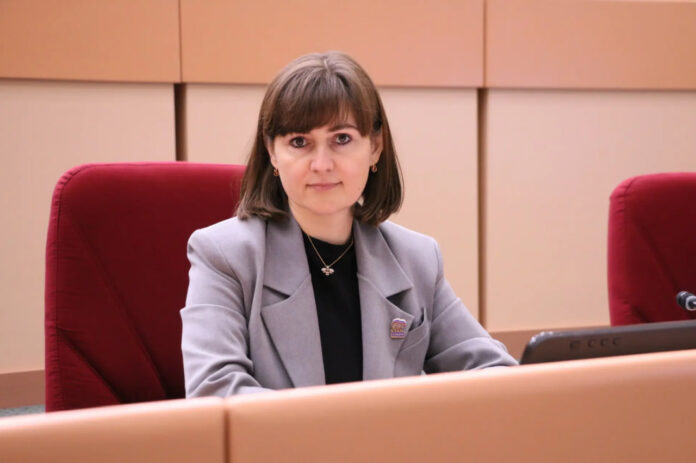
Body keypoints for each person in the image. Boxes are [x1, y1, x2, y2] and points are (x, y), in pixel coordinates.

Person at [181, 51, 517, 397]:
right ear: (272, 153)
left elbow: (495, 374)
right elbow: (214, 390)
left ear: (375, 147)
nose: (322, 164)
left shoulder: (416, 258)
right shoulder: (225, 256)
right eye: (299, 142)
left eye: (341, 139)